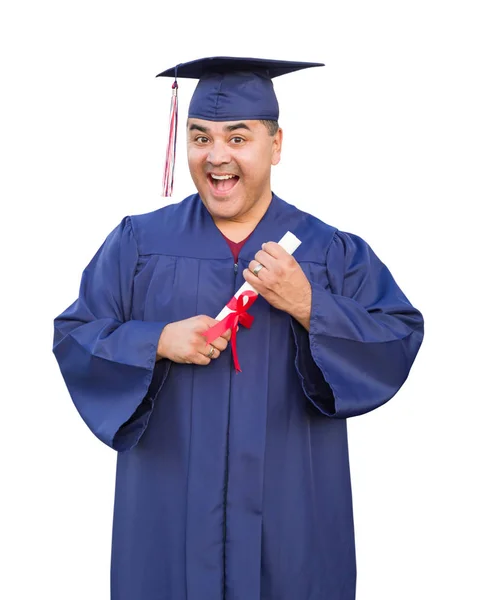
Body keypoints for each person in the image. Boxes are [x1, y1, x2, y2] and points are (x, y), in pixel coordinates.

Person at [53, 56, 424, 600]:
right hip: (170, 519)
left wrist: (309, 305)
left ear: (275, 146)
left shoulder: (328, 252)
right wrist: (155, 341)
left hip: (291, 522)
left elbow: (398, 334)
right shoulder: (139, 243)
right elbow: (75, 335)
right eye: (200, 137)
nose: (217, 156)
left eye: (238, 137)